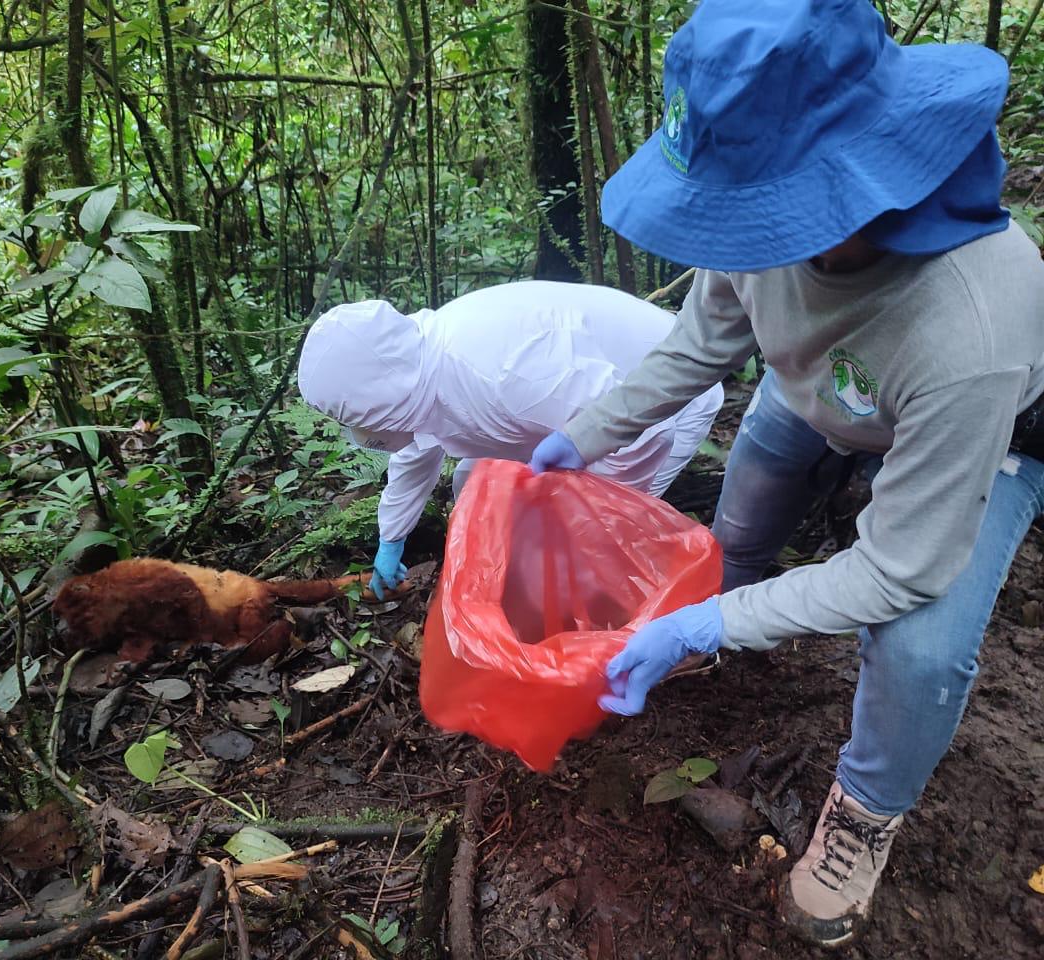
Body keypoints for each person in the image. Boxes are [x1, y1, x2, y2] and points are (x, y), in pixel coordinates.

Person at [528, 0, 1044, 947]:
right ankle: (713, 625)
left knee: (920, 646)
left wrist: (708, 617)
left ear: (855, 185)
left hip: (985, 429)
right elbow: (705, 340)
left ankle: (867, 811)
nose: (733, 230)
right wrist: (586, 434)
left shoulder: (971, 322)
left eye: (752, 211)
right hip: (819, 388)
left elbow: (899, 567)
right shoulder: (757, 218)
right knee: (741, 516)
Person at [297, 280, 724, 597]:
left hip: (671, 397)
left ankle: (620, 616)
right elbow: (415, 451)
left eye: (355, 418)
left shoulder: (500, 377)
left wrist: (594, 519)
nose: (359, 432)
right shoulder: (422, 376)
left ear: (381, 399)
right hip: (570, 412)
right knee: (473, 485)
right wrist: (391, 539)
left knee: (599, 549)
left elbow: (643, 430)